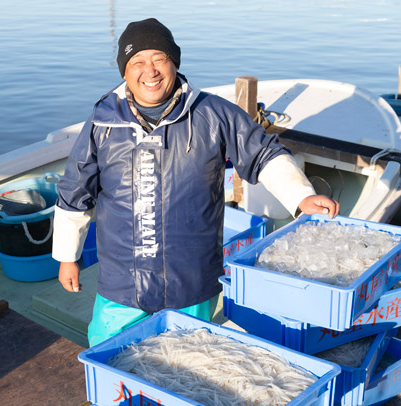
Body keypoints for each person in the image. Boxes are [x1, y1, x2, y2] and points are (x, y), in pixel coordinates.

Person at [52, 18, 339, 347]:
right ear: (124, 71)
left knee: (190, 360)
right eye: (138, 62)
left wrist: (301, 196)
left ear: (174, 62)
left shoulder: (213, 114)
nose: (150, 71)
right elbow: (76, 191)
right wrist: (67, 257)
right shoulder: (102, 122)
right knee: (111, 352)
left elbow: (263, 154)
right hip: (123, 283)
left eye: (159, 58)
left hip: (192, 277)